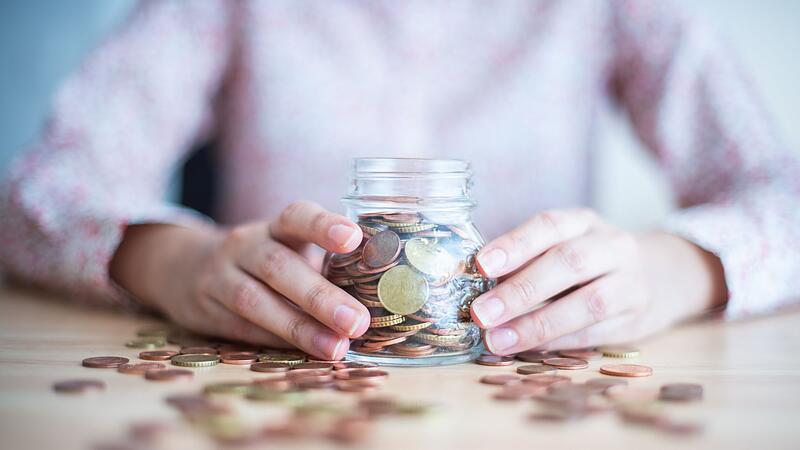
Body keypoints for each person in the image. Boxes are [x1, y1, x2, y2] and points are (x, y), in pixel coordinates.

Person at [1, 1, 798, 361]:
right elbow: (36, 192)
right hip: (302, 377)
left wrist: (672, 270)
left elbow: (784, 197)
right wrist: (176, 262)